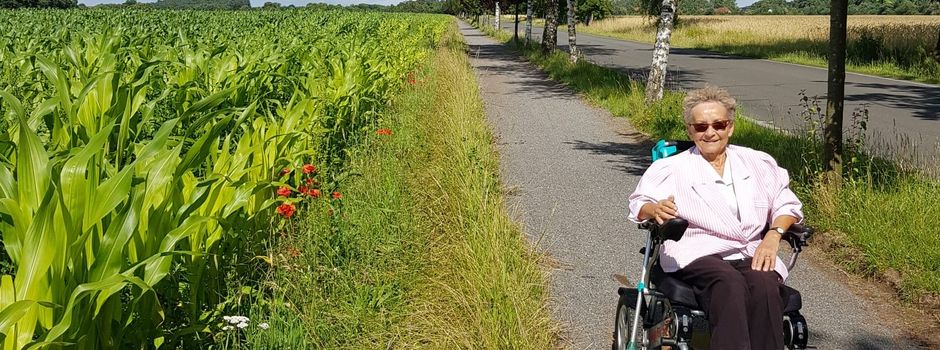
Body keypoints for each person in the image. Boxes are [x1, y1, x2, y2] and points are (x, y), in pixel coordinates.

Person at [628, 85, 803, 350]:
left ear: (730, 127)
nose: (710, 133)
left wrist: (773, 235)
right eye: (701, 127)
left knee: (766, 285)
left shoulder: (757, 162)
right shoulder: (671, 167)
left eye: (718, 125)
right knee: (729, 284)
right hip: (697, 251)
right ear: (690, 130)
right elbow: (639, 203)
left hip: (749, 250)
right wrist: (655, 209)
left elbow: (786, 203)